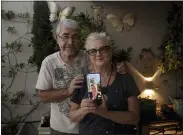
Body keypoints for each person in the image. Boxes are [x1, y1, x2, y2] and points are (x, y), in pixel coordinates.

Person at [36, 19, 126, 135]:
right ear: (57, 38)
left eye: (75, 37)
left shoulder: (90, 55)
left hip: (91, 127)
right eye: (65, 36)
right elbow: (42, 97)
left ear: (80, 40)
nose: (70, 42)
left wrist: (120, 67)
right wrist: (68, 91)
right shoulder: (49, 63)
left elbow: (108, 67)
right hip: (62, 129)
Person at [69, 32, 140, 135]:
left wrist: (105, 113)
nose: (98, 54)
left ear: (110, 51)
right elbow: (72, 116)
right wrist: (84, 110)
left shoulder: (125, 79)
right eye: (93, 51)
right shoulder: (82, 81)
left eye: (103, 49)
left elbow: (135, 118)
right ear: (88, 55)